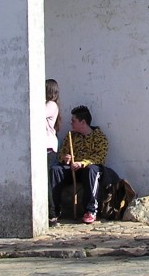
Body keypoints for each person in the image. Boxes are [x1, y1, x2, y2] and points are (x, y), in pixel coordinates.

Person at [50, 104, 108, 224]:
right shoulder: (71, 136)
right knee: (56, 169)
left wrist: (82, 163)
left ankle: (91, 210)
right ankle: (54, 210)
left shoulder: (99, 137)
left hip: (86, 169)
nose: (71, 123)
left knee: (92, 170)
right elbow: (61, 153)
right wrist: (65, 158)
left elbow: (99, 156)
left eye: (73, 121)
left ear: (83, 122)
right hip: (71, 169)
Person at [44, 79, 63, 224]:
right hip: (45, 147)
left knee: (45, 182)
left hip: (48, 148)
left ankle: (51, 213)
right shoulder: (49, 105)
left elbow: (36, 113)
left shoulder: (51, 105)